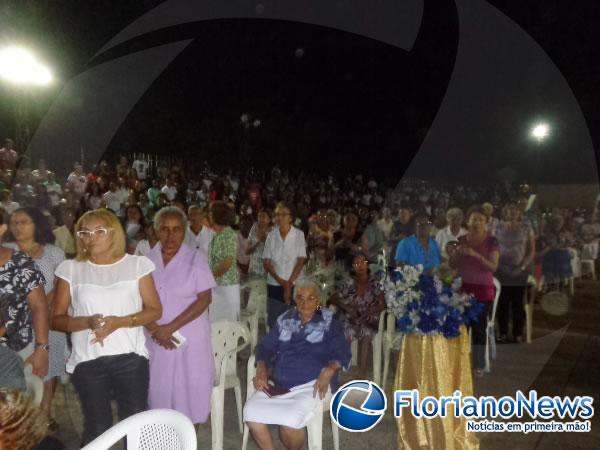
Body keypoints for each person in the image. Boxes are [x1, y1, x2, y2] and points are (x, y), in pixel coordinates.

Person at [51, 208, 162, 445]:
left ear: (114, 233)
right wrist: (88, 322)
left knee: (134, 423)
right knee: (97, 426)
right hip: (88, 359)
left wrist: (119, 322)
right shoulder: (70, 269)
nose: (91, 237)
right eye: (85, 232)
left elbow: (154, 310)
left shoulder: (137, 265)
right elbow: (57, 319)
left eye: (99, 231)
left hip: (130, 358)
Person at [243, 279, 351, 450]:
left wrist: (330, 368)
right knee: (250, 414)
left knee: (289, 424)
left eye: (310, 298)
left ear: (319, 301)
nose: (304, 303)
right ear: (294, 300)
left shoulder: (329, 321)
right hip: (279, 385)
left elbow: (343, 352)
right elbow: (264, 346)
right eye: (300, 298)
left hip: (314, 384)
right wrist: (261, 369)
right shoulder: (285, 319)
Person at [144, 207, 216, 424]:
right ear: (156, 231)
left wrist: (169, 328)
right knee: (159, 394)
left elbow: (204, 299)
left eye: (176, 230)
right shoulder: (145, 261)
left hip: (189, 340)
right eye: (164, 229)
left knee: (190, 398)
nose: (170, 235)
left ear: (184, 231)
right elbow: (138, 301)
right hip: (155, 339)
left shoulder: (196, 258)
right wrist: (157, 330)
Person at [5, 208, 66, 420]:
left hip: (47, 320)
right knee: (18, 372)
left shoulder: (53, 253)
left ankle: (45, 415)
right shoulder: (6, 251)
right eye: (14, 222)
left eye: (24, 222)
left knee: (48, 371)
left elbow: (60, 287)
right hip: (15, 325)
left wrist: (38, 305)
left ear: (36, 224)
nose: (17, 226)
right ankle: (21, 420)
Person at [0, 209, 49, 380]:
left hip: (16, 351)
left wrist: (42, 348)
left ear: (2, 229)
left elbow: (39, 306)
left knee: (12, 404)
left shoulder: (22, 263)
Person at [451, 205, 499, 377]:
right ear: (468, 221)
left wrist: (475, 254)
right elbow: (453, 265)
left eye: (480, 219)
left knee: (479, 328)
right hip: (464, 291)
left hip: (483, 292)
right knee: (461, 328)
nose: (477, 222)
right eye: (474, 219)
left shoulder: (491, 241)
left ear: (486, 223)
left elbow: (493, 267)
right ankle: (460, 363)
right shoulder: (462, 239)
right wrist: (456, 254)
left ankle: (478, 364)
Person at [328, 254, 386, 376]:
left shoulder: (375, 282)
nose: (360, 266)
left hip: (368, 318)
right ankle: (342, 367)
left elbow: (383, 305)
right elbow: (332, 299)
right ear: (353, 268)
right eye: (356, 264)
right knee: (347, 330)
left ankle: (362, 372)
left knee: (367, 333)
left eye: (362, 262)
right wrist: (347, 307)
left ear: (367, 264)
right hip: (351, 317)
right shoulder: (348, 282)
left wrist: (368, 312)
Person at [495, 203, 535, 343]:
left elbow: (531, 250)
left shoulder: (526, 228)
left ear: (519, 213)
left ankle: (518, 332)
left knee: (518, 302)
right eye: (509, 210)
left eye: (515, 211)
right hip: (501, 270)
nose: (512, 213)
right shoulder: (497, 227)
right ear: (505, 213)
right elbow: (493, 248)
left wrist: (522, 267)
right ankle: (503, 332)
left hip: (520, 270)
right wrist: (499, 265)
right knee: (502, 302)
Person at [263, 202, 307, 328]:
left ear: (291, 217)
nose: (279, 217)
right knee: (275, 319)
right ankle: (276, 345)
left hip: (294, 283)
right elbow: (266, 262)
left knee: (293, 318)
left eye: (283, 214)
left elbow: (301, 260)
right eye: (277, 214)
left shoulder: (298, 235)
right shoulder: (271, 235)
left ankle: (291, 346)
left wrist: (289, 284)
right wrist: (281, 282)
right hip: (274, 283)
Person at [207, 201, 240, 321]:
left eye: (210, 213)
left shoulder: (229, 234)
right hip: (217, 285)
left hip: (227, 286)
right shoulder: (216, 234)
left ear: (217, 215)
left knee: (229, 323)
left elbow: (227, 261)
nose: (208, 215)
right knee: (216, 321)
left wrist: (211, 277)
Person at [246, 208, 272, 278]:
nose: (260, 219)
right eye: (259, 216)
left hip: (266, 270)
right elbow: (247, 251)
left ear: (269, 220)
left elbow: (275, 253)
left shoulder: (273, 232)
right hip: (253, 268)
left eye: (263, 216)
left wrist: (266, 241)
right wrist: (258, 242)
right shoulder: (254, 228)